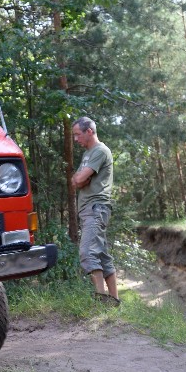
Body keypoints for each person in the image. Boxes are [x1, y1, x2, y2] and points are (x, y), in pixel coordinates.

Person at [71, 117, 118, 305]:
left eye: (78, 134)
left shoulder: (100, 151)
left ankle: (101, 302)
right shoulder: (88, 154)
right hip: (90, 210)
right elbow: (76, 181)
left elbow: (80, 178)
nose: (75, 139)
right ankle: (114, 301)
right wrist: (80, 179)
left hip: (96, 208)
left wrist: (81, 179)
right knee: (101, 254)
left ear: (89, 131)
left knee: (87, 252)